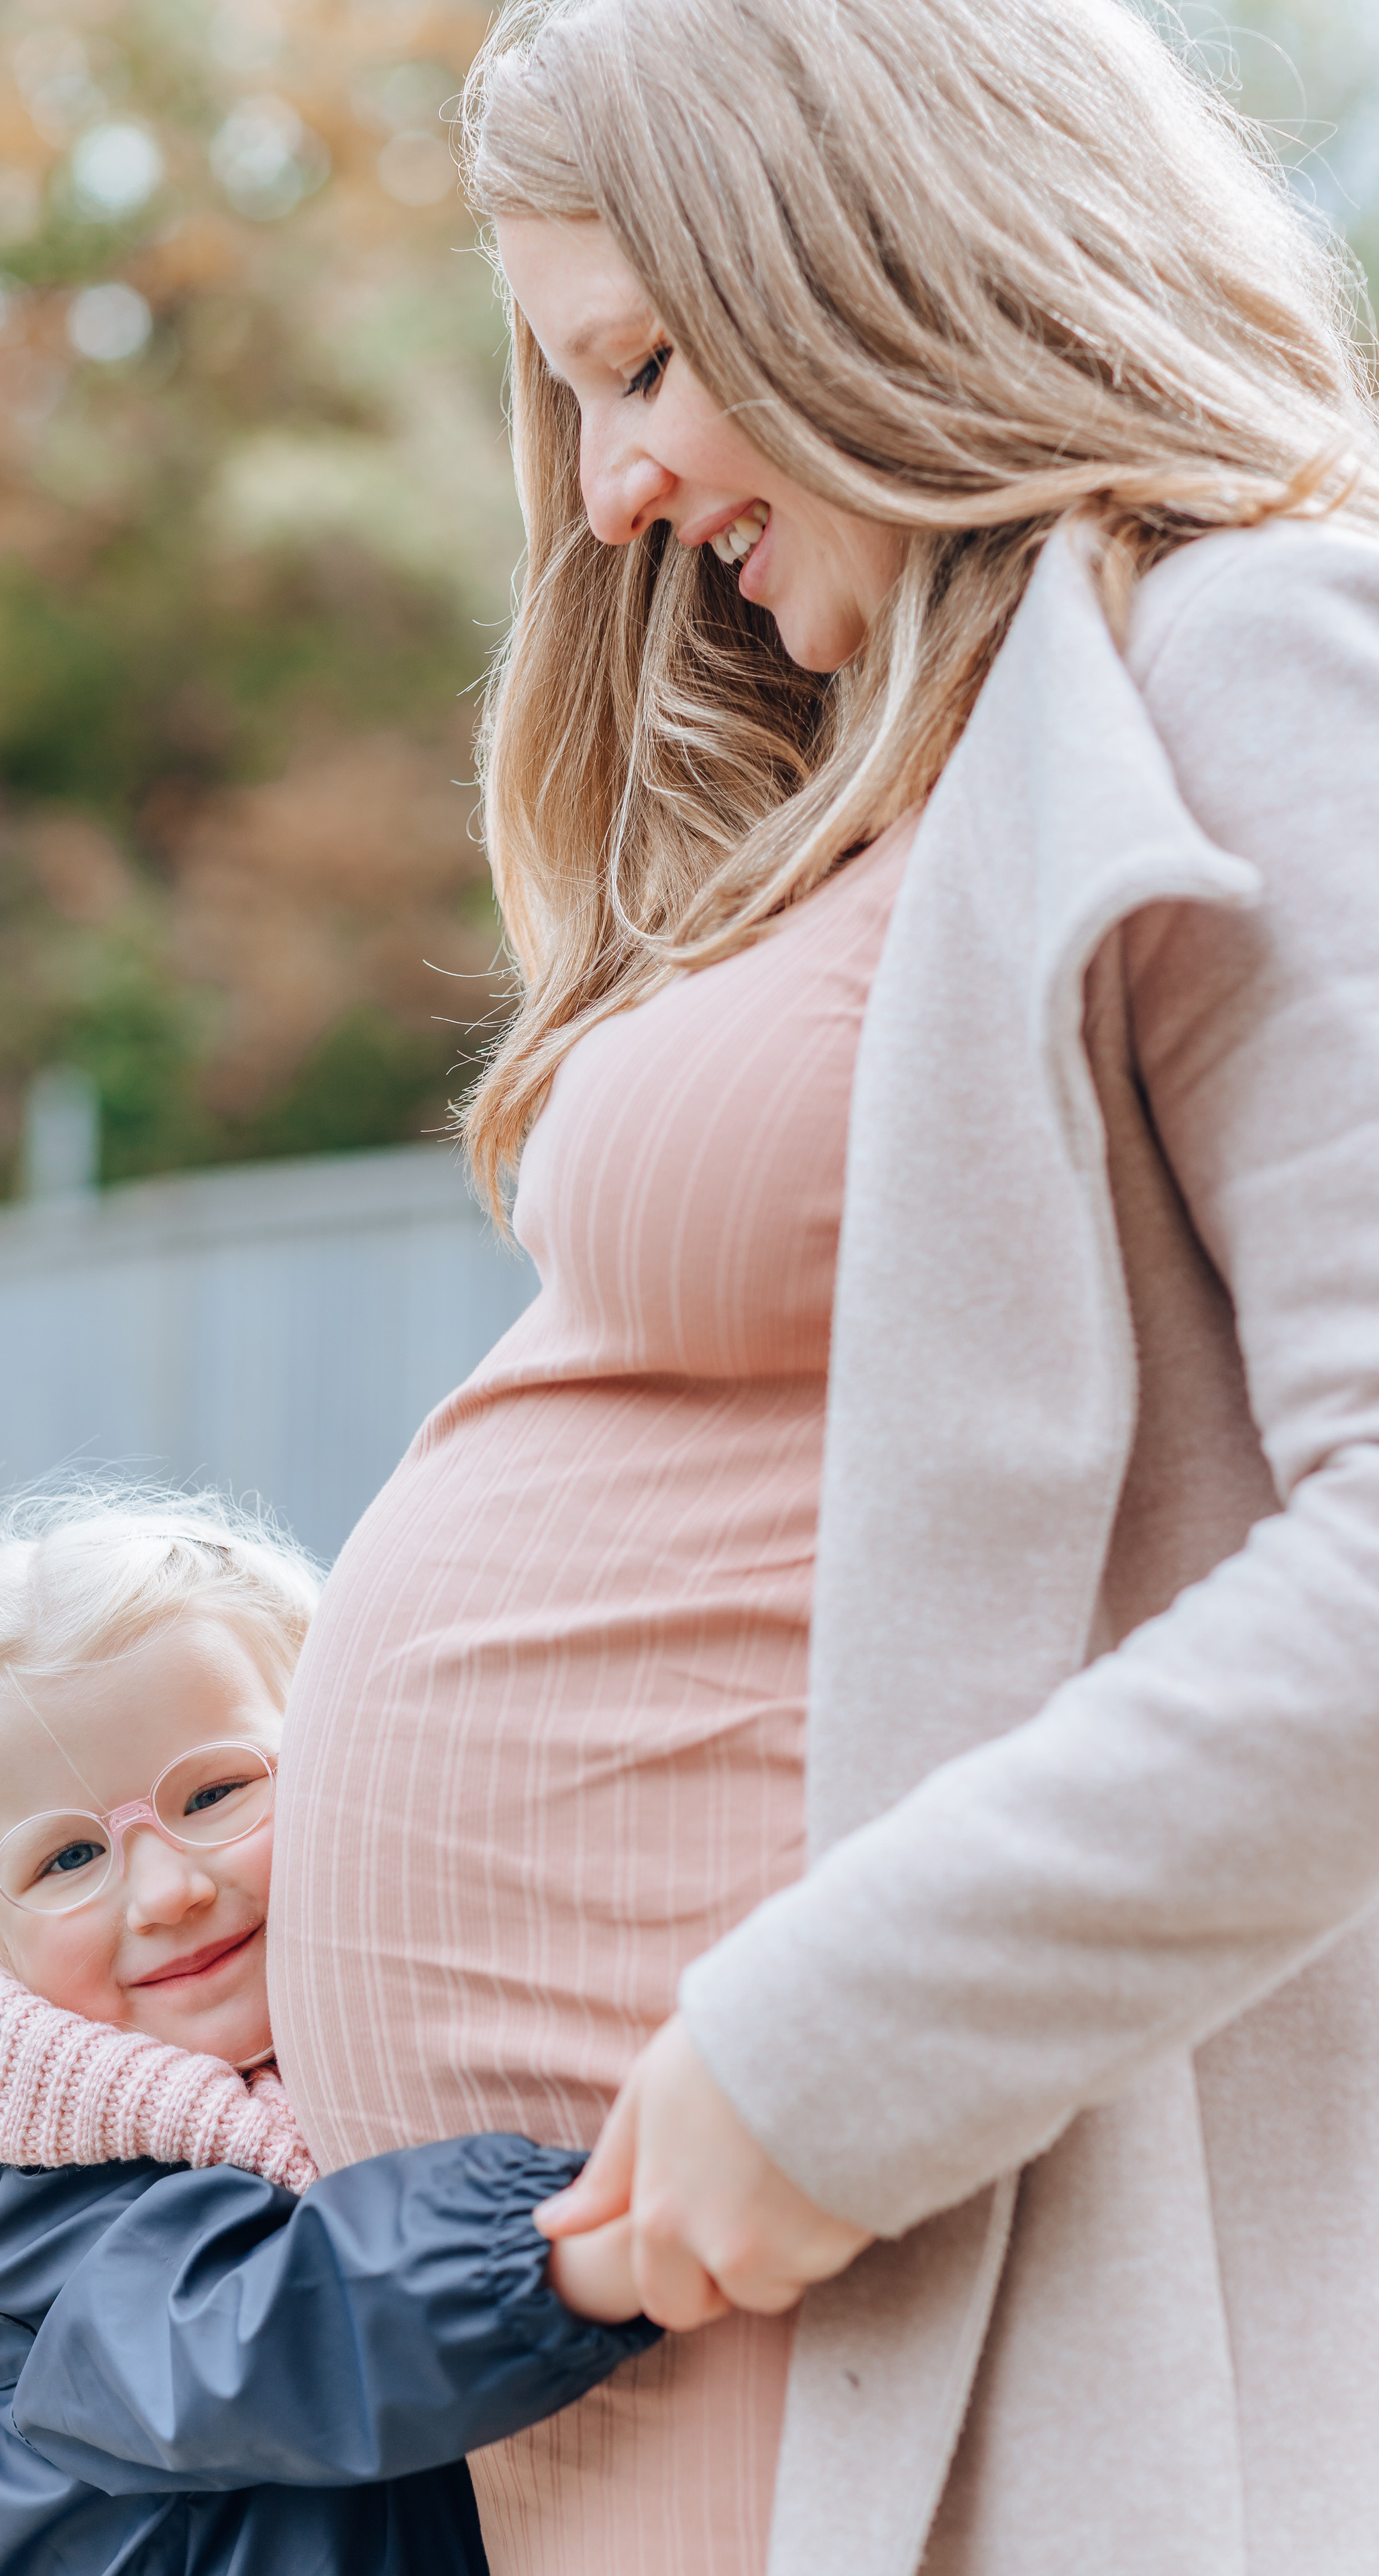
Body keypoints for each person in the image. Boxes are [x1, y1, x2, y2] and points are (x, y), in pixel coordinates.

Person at [263, 1, 1379, 2571]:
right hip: (652, 2339)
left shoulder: (1254, 647)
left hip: (892, 2297)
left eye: (646, 364)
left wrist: (826, 2060)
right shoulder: (943, 764)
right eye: (574, 397)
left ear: (883, 259)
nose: (615, 493)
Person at [0, 1491, 659, 2576]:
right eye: (69, 1858)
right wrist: (569, 2251)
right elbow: (255, 2333)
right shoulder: (31, 2203)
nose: (165, 1891)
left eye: (215, 1792)